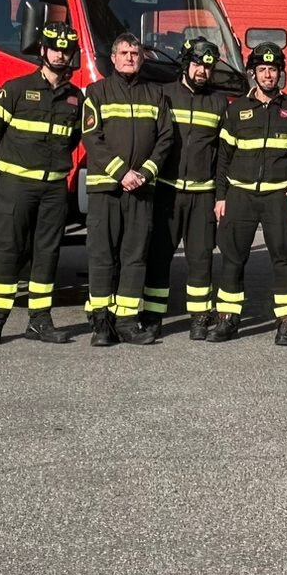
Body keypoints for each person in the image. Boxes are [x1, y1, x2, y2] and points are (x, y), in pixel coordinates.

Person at [0, 22, 84, 346]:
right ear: (42, 50)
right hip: (17, 186)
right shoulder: (16, 88)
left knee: (47, 254)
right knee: (8, 251)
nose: (60, 54)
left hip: (53, 190)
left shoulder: (75, 99)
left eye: (66, 49)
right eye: (54, 47)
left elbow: (74, 139)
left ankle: (39, 322)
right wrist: (9, 168)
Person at [80, 32, 176, 346]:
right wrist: (122, 173)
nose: (130, 57)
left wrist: (145, 174)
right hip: (106, 188)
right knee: (102, 256)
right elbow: (92, 140)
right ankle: (101, 324)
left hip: (142, 189)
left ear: (142, 57)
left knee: (135, 257)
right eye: (124, 52)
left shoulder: (156, 94)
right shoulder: (96, 92)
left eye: (135, 53)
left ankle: (126, 322)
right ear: (113, 57)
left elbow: (166, 139)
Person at [209, 41, 287, 343]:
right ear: (252, 73)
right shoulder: (236, 110)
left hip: (278, 197)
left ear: (280, 73)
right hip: (240, 196)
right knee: (233, 258)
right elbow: (223, 156)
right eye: (262, 69)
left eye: (273, 70)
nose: (268, 75)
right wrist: (221, 196)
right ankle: (227, 318)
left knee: (284, 258)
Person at [148, 37, 232, 341]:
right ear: (186, 63)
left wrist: (221, 195)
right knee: (159, 257)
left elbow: (224, 155)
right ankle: (153, 316)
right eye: (197, 64)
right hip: (167, 193)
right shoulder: (164, 95)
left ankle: (199, 318)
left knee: (201, 258)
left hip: (203, 194)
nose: (203, 71)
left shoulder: (219, 103)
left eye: (208, 67)